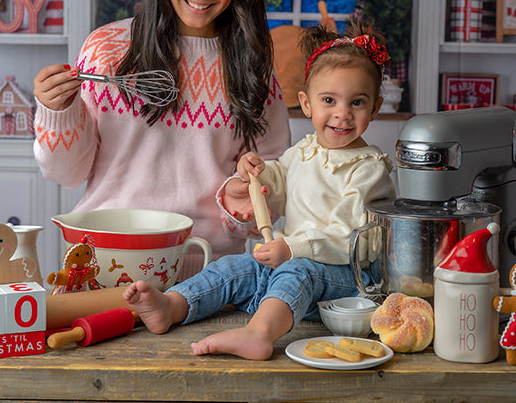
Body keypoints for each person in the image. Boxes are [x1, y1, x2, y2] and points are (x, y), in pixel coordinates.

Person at [32, 0, 291, 277]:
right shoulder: (107, 50)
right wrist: (58, 111)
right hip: (104, 262)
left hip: (208, 272)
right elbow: (66, 173)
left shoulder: (253, 65)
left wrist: (244, 200)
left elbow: (271, 190)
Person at [123, 19, 397, 360]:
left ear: (374, 107)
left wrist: (291, 247)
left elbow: (349, 238)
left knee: (299, 270)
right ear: (307, 103)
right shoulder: (304, 151)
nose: (342, 114)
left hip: (348, 280)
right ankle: (173, 305)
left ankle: (259, 332)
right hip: (292, 267)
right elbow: (277, 182)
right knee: (237, 267)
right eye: (329, 100)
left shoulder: (369, 169)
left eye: (357, 103)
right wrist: (253, 174)